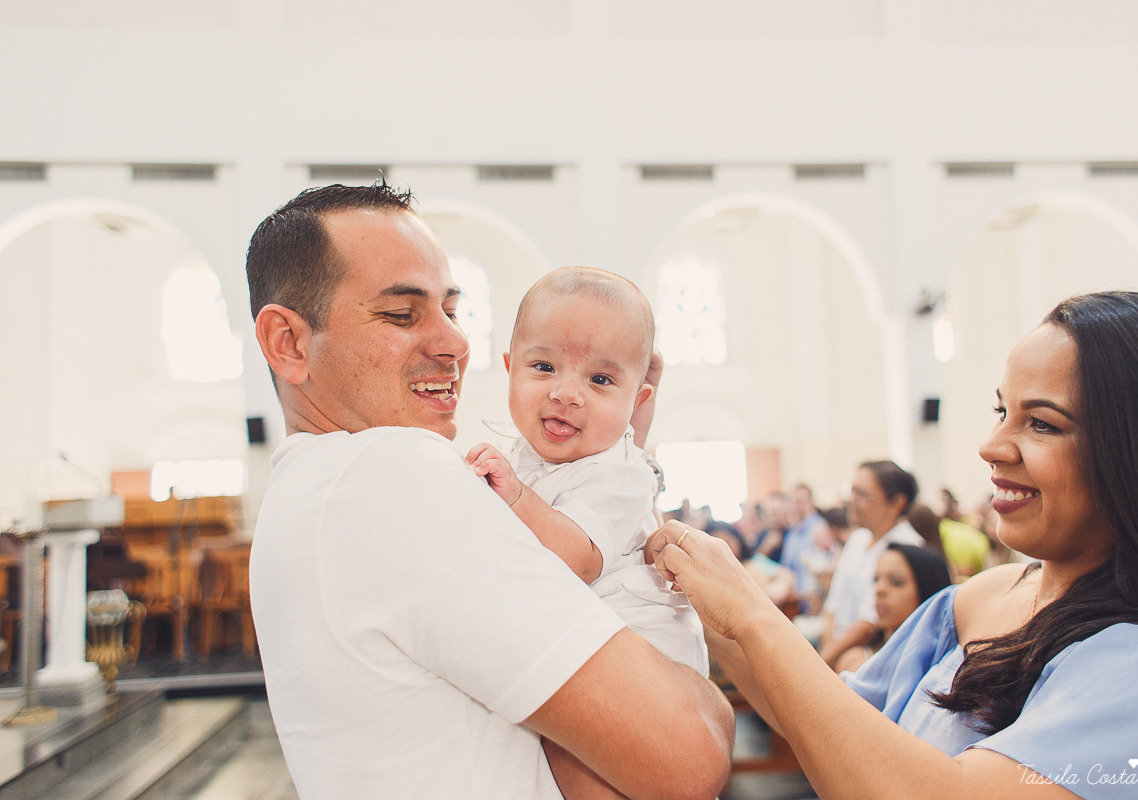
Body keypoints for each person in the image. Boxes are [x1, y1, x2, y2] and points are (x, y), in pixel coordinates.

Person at [246, 184, 733, 800]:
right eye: (402, 314)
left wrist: (620, 454)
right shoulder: (391, 472)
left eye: (450, 309)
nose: (453, 342)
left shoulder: (305, 489)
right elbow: (688, 758)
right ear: (288, 343)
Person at [649, 291, 1138, 799]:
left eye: (1042, 424)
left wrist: (754, 616)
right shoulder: (980, 598)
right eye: (1001, 412)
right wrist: (663, 549)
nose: (992, 446)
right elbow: (834, 721)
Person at [464, 267, 707, 799]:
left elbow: (575, 557)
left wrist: (512, 496)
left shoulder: (620, 474)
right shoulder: (524, 457)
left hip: (645, 663)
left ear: (636, 399)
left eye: (600, 380)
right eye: (544, 366)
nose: (567, 393)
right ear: (509, 369)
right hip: (588, 648)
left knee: (585, 769)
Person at [819, 461, 924, 668]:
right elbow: (833, 606)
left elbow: (869, 625)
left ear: (897, 503)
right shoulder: (857, 539)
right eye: (852, 490)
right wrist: (826, 654)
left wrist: (823, 663)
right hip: (836, 651)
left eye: (862, 494)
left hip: (873, 654)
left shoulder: (907, 549)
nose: (851, 500)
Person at [834, 543, 952, 673]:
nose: (880, 589)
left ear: (929, 592)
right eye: (876, 580)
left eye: (896, 582)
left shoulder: (942, 670)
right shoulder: (855, 661)